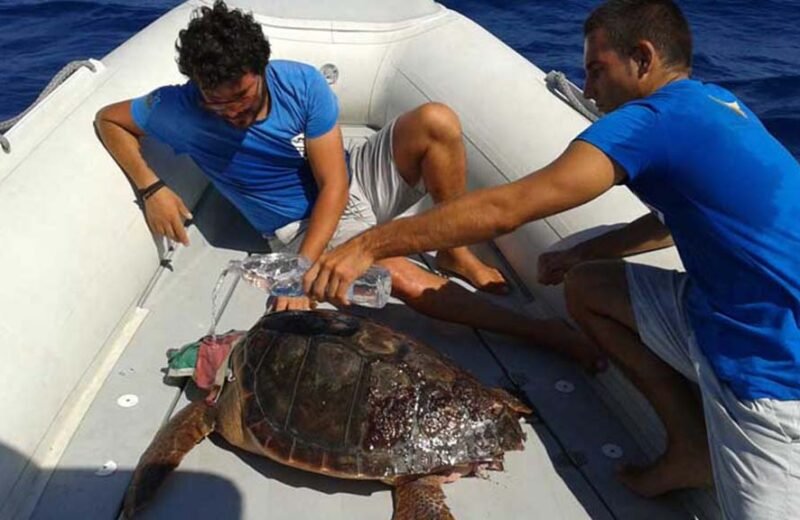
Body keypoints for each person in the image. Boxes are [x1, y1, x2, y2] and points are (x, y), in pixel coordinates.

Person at [304, 0, 800, 517]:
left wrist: (367, 244)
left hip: (770, 361)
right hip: (719, 306)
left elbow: (506, 208)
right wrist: (588, 251)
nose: (587, 90)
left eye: (596, 69)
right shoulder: (713, 105)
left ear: (643, 58)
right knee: (590, 288)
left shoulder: (650, 122)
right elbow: (674, 219)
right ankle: (690, 447)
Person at [94, 1, 605, 371]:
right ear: (195, 87)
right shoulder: (176, 108)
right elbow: (108, 120)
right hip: (295, 224)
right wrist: (150, 187)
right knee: (403, 280)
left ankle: (454, 251)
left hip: (349, 182)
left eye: (244, 97)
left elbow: (335, 183)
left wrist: (299, 275)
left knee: (437, 121)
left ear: (262, 69)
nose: (233, 113)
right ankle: (540, 332)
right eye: (217, 102)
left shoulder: (301, 84)